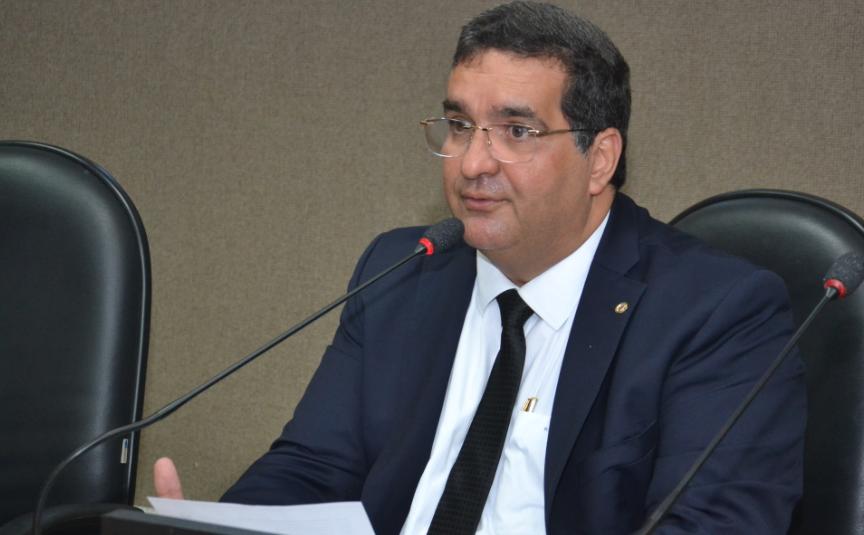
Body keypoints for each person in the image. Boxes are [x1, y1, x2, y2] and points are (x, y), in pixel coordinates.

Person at [155, 2, 805, 533]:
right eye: (459, 125)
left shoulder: (715, 312)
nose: (471, 163)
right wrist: (224, 531)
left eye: (516, 131)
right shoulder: (402, 272)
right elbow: (312, 469)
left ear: (600, 159)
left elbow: (712, 523)